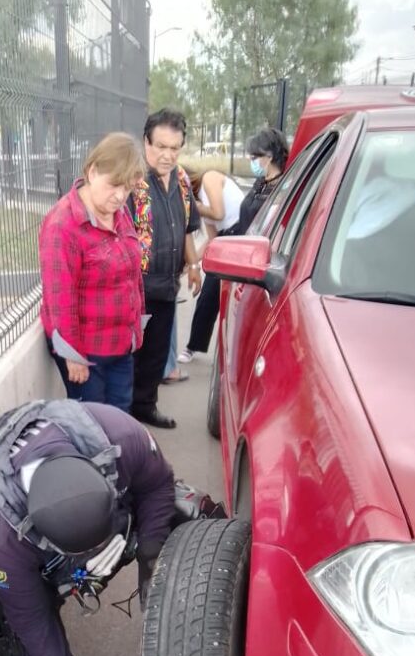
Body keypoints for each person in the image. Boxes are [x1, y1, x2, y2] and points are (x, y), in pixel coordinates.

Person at [0, 399, 177, 656]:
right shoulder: (2, 538)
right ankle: (2, 592)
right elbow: (36, 627)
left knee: (182, 512)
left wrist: (151, 553)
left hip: (97, 511)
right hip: (29, 562)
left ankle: (112, 544)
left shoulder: (120, 436)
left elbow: (159, 483)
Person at [39, 133, 147, 412]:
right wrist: (73, 356)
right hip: (87, 354)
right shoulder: (63, 225)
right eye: (114, 186)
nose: (121, 196)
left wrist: (136, 328)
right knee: (94, 428)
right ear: (92, 171)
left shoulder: (119, 211)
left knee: (121, 416)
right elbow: (60, 298)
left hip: (121, 344)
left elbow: (132, 274)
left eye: (127, 188)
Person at [180, 127, 289, 363]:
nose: (252, 162)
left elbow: (218, 213)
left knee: (243, 306)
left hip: (255, 250)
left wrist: (192, 207)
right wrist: (192, 263)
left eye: (254, 157)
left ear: (269, 156)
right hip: (237, 243)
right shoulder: (261, 182)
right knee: (210, 296)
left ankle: (239, 353)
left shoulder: (283, 187)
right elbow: (212, 237)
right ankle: (194, 345)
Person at [128, 108, 202, 429]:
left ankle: (146, 407)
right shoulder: (132, 181)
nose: (167, 155)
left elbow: (188, 226)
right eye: (160, 146)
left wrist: (195, 265)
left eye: (174, 148)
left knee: (157, 355)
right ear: (146, 143)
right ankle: (122, 416)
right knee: (130, 357)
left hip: (168, 284)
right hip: (136, 288)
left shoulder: (183, 181)